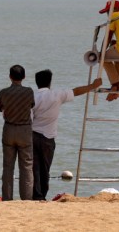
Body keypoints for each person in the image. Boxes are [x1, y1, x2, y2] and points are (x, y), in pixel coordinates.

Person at [31, 69, 102, 200]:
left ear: (36, 82)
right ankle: (42, 196)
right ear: (50, 82)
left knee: (34, 168)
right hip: (48, 137)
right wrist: (93, 86)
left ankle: (36, 195)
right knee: (45, 168)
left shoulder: (32, 96)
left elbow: (29, 118)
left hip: (33, 135)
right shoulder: (57, 94)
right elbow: (76, 91)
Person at [0, 64, 35, 201]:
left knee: (8, 167)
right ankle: (26, 199)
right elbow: (32, 105)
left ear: (10, 77)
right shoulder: (29, 91)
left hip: (9, 129)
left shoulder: (3, 92)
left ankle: (7, 198)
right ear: (23, 77)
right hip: (24, 130)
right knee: (26, 167)